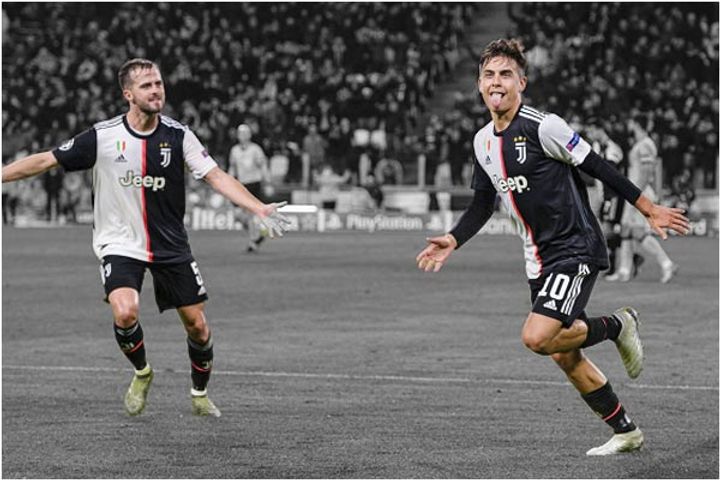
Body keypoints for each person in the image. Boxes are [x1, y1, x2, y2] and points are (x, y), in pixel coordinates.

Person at [416, 39, 689, 456]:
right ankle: (626, 431)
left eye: (506, 74)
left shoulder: (544, 127)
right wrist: (453, 239)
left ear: (521, 83)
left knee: (538, 337)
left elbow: (599, 166)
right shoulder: (482, 141)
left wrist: (648, 208)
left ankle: (618, 325)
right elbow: (483, 204)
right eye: (489, 75)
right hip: (537, 259)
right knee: (565, 354)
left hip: (575, 247)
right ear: (479, 85)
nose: (496, 82)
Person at [2, 58, 290, 418]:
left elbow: (215, 175)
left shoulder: (179, 135)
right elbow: (46, 160)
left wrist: (258, 207)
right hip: (120, 242)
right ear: (128, 94)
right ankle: (142, 372)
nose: (156, 91)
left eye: (158, 83)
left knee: (198, 327)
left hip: (170, 244)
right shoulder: (103, 137)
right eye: (146, 86)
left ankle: (199, 392)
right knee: (125, 311)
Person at [606, 115, 678, 283]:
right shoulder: (641, 144)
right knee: (626, 229)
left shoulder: (646, 145)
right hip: (633, 192)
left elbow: (647, 172)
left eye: (631, 122)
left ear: (636, 124)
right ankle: (624, 270)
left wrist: (636, 195)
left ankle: (667, 263)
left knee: (638, 232)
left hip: (639, 194)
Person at [227, 123, 274, 252]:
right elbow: (232, 167)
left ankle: (253, 241)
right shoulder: (234, 150)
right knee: (238, 215)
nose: (242, 135)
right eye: (240, 133)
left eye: (245, 133)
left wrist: (268, 182)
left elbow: (263, 166)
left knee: (249, 214)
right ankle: (257, 235)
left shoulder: (255, 149)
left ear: (249, 135)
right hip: (241, 185)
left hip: (254, 184)